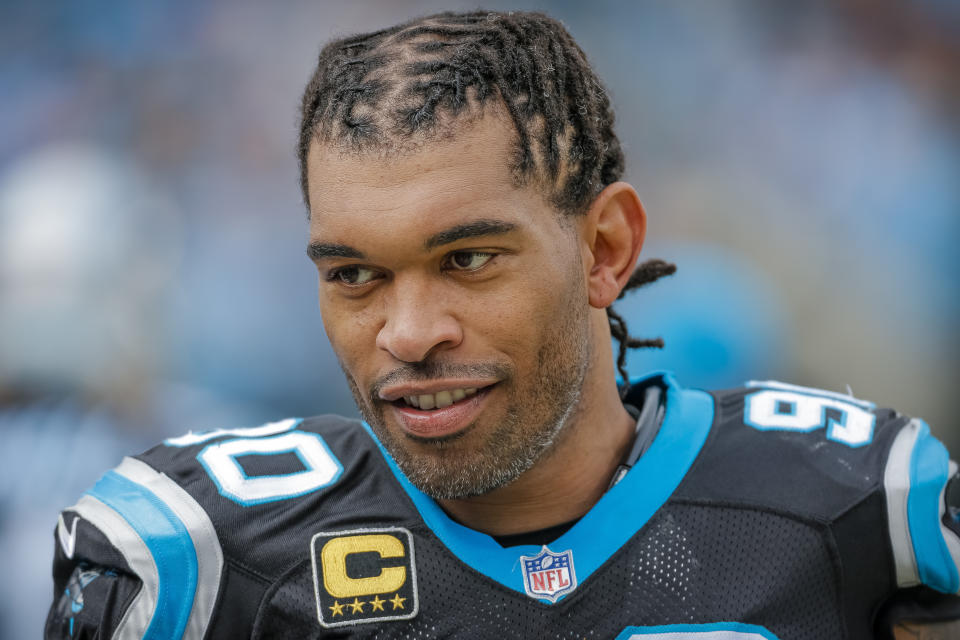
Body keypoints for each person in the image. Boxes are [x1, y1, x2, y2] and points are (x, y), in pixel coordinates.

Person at [45, 10, 960, 639]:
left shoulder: (861, 508)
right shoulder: (194, 557)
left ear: (606, 249)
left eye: (468, 260)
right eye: (354, 274)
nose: (408, 332)